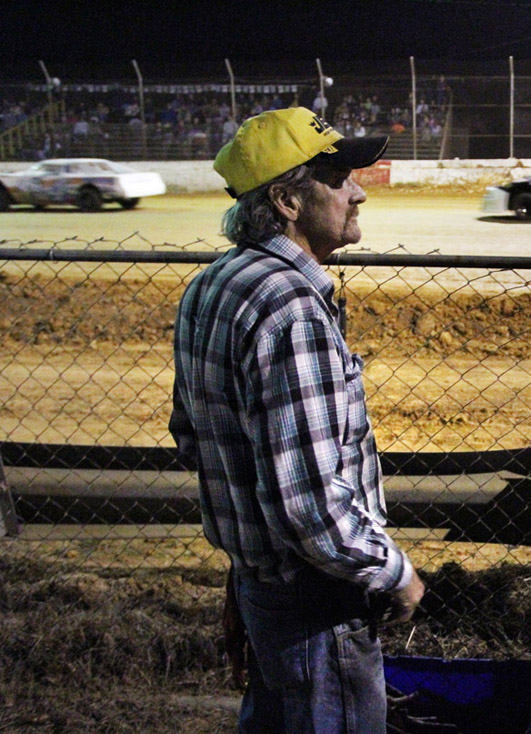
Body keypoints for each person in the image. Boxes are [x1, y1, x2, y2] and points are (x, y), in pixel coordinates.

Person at [170, 106, 425, 734]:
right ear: (286, 199)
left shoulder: (214, 284)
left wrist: (249, 560)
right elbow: (309, 500)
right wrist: (396, 574)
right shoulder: (292, 309)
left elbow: (191, 434)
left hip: (265, 587)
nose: (358, 190)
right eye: (338, 177)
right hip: (317, 602)